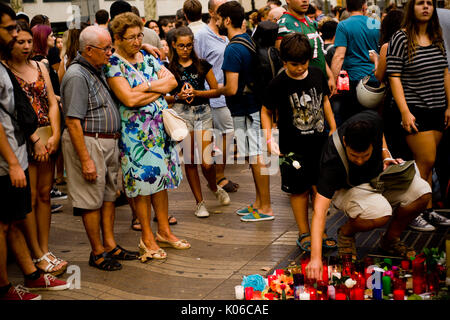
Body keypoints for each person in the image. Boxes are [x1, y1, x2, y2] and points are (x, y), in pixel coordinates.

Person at [305, 110, 432, 281]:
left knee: (422, 192)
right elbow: (319, 211)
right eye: (353, 156)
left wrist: (386, 155)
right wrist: (315, 259)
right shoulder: (332, 159)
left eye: (365, 155)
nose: (359, 161)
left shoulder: (372, 120)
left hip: (378, 179)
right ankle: (346, 232)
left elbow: (381, 135)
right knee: (381, 213)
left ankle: (390, 240)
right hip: (348, 190)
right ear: (344, 142)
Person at [105, 13, 190, 261]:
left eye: (139, 35)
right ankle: (147, 237)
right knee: (142, 186)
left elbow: (172, 81)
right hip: (136, 136)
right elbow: (128, 99)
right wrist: (156, 88)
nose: (137, 40)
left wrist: (145, 88)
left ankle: (163, 231)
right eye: (131, 37)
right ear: (118, 38)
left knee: (161, 182)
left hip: (160, 131)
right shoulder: (113, 64)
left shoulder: (147, 56)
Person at [0, 3, 69, 300]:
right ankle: (34, 258)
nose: (25, 44)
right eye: (17, 38)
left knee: (43, 195)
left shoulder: (41, 66)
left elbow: (53, 102)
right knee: (22, 204)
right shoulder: (5, 69)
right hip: (21, 142)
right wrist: (30, 146)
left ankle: (41, 253)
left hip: (42, 136)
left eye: (29, 40)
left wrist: (54, 134)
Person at [61, 26, 139, 271]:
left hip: (105, 141)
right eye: (105, 49)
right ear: (89, 50)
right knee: (90, 200)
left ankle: (110, 245)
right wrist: (86, 160)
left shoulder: (96, 67)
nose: (110, 52)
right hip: (89, 141)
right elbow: (72, 121)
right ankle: (97, 252)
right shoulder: (76, 75)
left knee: (107, 197)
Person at [261, 33, 337, 251]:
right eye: (294, 64)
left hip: (320, 144)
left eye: (303, 63)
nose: (300, 68)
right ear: (284, 62)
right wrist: (269, 139)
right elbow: (265, 111)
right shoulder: (278, 83)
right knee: (299, 190)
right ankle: (304, 232)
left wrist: (333, 128)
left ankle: (319, 229)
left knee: (320, 189)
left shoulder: (316, 73)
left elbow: (324, 101)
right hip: (292, 148)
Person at [387, 0, 450, 231]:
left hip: (437, 109)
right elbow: (393, 75)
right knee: (426, 162)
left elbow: (445, 71)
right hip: (415, 109)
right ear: (411, 8)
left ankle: (428, 210)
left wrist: (449, 105)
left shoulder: (436, 36)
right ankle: (413, 212)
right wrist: (404, 111)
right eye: (420, 3)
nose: (426, 7)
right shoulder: (401, 38)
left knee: (427, 166)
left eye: (429, 3)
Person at [217, 1, 274, 222]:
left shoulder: (233, 48)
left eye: (219, 19)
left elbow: (231, 88)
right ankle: (259, 203)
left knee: (257, 157)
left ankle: (266, 207)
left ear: (227, 20)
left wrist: (208, 92)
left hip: (246, 110)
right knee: (253, 157)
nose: (217, 23)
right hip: (253, 108)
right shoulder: (248, 40)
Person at [166, 26, 230, 218]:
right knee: (191, 161)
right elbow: (163, 96)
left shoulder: (202, 64)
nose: (185, 49)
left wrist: (197, 93)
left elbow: (217, 90)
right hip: (181, 115)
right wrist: (177, 96)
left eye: (188, 45)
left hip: (203, 113)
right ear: (173, 46)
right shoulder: (169, 68)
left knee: (207, 162)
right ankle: (199, 202)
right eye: (181, 46)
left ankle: (214, 187)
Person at [194, 0, 239, 193]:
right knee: (222, 135)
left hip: (228, 94)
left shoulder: (227, 32)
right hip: (212, 96)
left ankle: (217, 176)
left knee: (224, 136)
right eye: (221, 7)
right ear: (212, 12)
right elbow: (197, 66)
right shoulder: (202, 35)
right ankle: (216, 177)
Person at [330, 0, 380, 122]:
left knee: (352, 121)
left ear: (346, 8)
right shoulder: (375, 23)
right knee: (372, 120)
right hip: (374, 78)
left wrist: (332, 80)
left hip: (353, 81)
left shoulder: (343, 25)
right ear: (364, 7)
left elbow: (339, 56)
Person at [276, 0, 336, 95]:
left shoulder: (310, 21)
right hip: (303, 89)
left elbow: (318, 52)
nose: (305, 0)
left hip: (320, 82)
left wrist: (330, 76)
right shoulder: (284, 24)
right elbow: (285, 62)